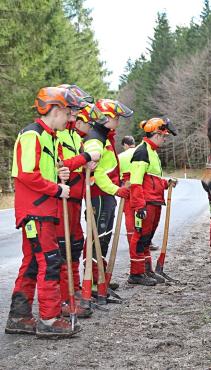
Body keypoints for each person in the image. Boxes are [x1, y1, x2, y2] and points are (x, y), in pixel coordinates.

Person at [6, 86, 94, 338]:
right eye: (67, 113)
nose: (70, 119)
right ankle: (50, 319)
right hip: (36, 210)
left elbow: (46, 168)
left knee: (33, 263)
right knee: (50, 262)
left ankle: (19, 317)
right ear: (54, 110)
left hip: (44, 209)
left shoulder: (50, 136)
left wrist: (60, 173)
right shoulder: (32, 135)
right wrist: (57, 189)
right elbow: (26, 174)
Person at [56, 89, 107, 318]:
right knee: (61, 249)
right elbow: (61, 164)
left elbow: (75, 164)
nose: (75, 116)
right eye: (74, 111)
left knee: (74, 246)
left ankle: (74, 292)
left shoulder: (76, 137)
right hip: (61, 199)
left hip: (75, 198)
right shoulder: (58, 134)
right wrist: (85, 159)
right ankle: (63, 298)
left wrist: (86, 165)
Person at [82, 99, 133, 291]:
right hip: (99, 195)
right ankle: (93, 281)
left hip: (106, 195)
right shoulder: (95, 139)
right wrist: (116, 189)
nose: (118, 121)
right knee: (98, 237)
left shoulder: (105, 137)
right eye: (116, 117)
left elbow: (108, 168)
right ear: (106, 117)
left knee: (104, 237)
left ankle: (100, 277)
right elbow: (97, 173)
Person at [128, 118, 177, 285]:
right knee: (140, 237)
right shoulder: (142, 152)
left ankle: (146, 270)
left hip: (155, 201)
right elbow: (136, 181)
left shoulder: (153, 152)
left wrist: (166, 183)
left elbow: (152, 179)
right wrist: (139, 205)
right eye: (163, 136)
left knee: (147, 238)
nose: (164, 139)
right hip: (146, 203)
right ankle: (136, 274)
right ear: (156, 134)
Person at [117, 135, 138, 245]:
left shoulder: (120, 157)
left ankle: (131, 240)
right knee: (141, 211)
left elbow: (116, 174)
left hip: (126, 185)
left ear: (125, 145)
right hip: (140, 184)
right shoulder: (142, 152)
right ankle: (144, 240)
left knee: (129, 214)